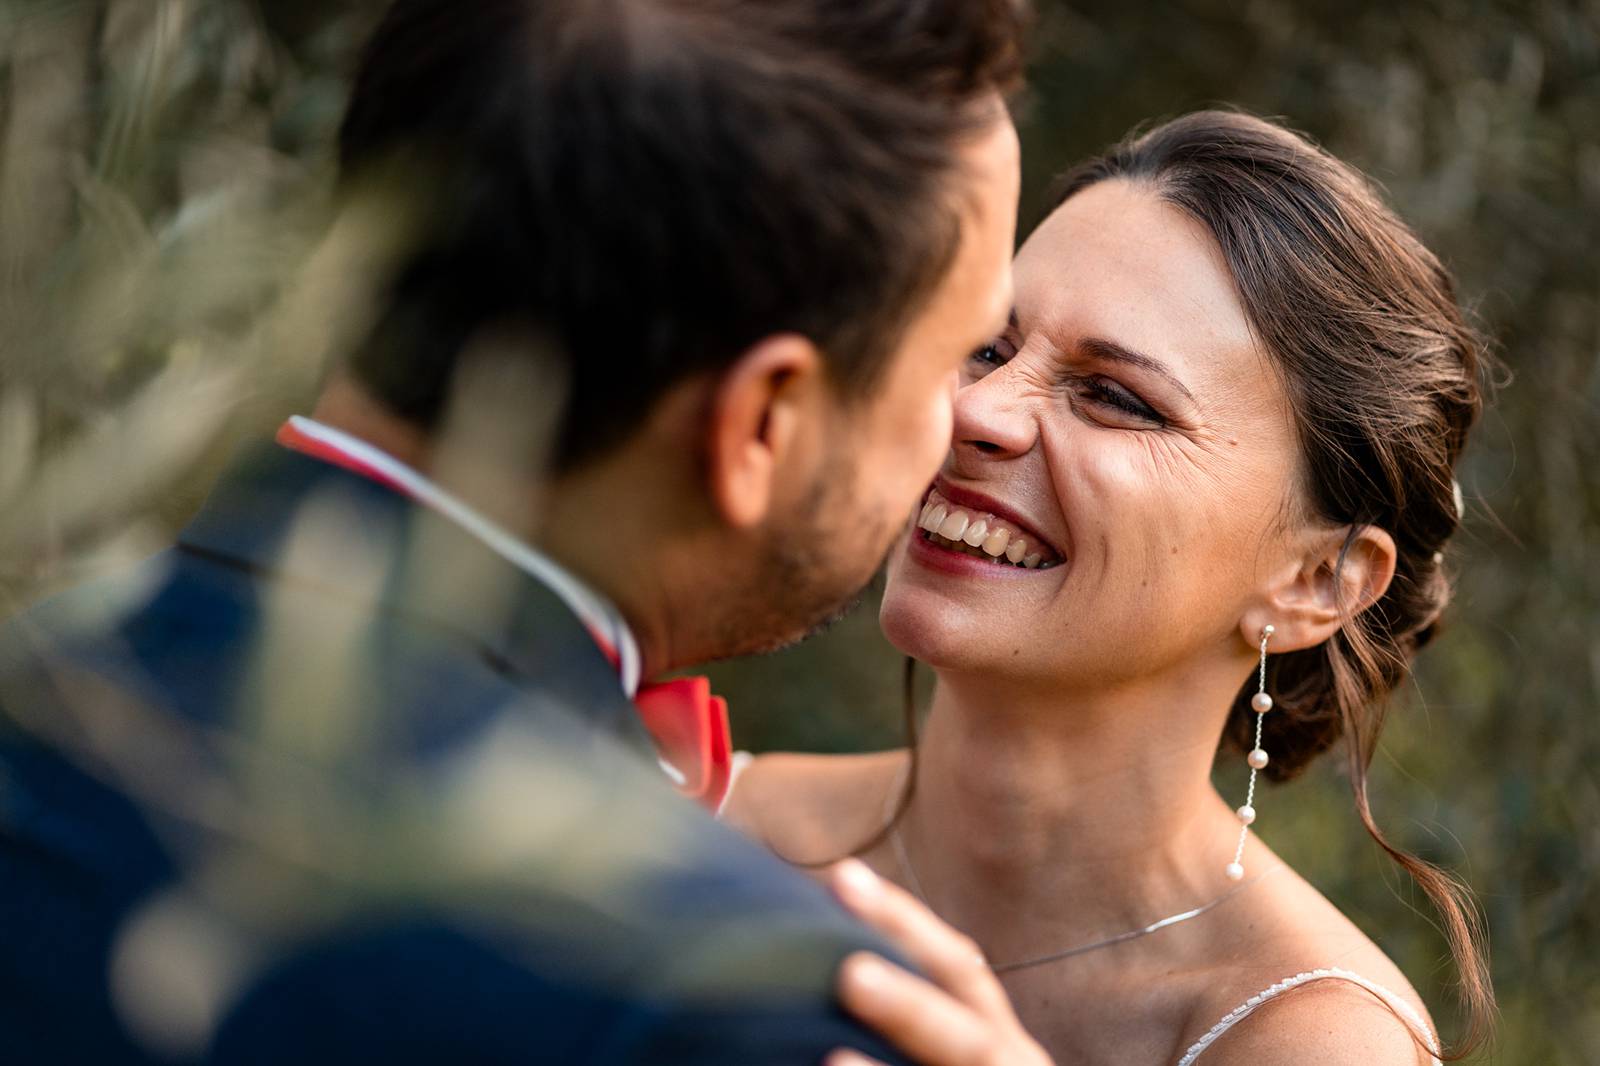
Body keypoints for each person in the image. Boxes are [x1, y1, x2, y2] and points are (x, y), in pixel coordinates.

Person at [0, 0, 1052, 1062]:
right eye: (955, 358)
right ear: (760, 424)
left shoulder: (35, 679)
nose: (972, 422)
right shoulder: (745, 1007)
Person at [725, 110, 1497, 1065]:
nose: (976, 410)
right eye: (989, 347)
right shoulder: (701, 821)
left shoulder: (1310, 1040)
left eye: (1116, 397)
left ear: (1317, 579)